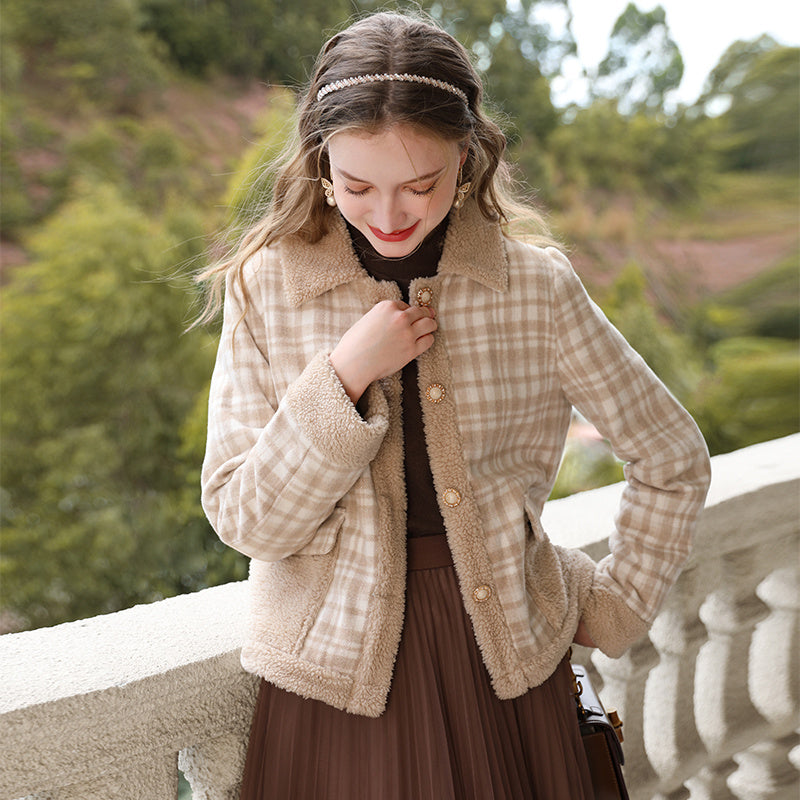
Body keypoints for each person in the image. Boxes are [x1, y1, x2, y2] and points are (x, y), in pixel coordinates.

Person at [199, 10, 711, 799]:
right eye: (359, 185)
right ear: (321, 165)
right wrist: (342, 376)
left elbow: (672, 458)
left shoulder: (534, 288)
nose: (391, 214)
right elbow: (245, 519)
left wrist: (616, 609)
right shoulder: (267, 285)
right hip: (332, 690)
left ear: (466, 160)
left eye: (421, 184)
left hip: (506, 665)